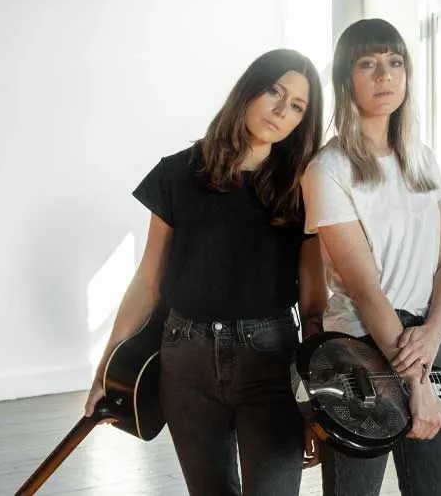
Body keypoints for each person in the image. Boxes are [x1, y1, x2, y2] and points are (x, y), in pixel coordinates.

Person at [84, 48, 326, 496]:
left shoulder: (303, 187)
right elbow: (147, 281)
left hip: (270, 361)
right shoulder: (177, 173)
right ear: (248, 91)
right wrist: (106, 369)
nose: (281, 110)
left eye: (297, 106)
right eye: (275, 91)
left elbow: (314, 305)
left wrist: (317, 400)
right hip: (185, 358)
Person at [301, 19, 441, 496]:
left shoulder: (421, 158)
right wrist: (417, 383)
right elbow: (366, 288)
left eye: (394, 63)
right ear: (346, 80)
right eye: (367, 65)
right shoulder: (328, 170)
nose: (384, 76)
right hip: (359, 353)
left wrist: (433, 335)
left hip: (430, 345)